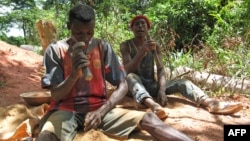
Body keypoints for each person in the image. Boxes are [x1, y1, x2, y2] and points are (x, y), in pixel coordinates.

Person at [36, 4, 194, 141]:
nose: (85, 38)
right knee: (46, 136)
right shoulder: (55, 50)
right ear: (69, 26)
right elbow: (56, 95)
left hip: (99, 108)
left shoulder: (102, 47)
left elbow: (124, 83)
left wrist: (102, 111)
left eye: (90, 33)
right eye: (78, 33)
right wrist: (74, 76)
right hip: (66, 110)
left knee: (149, 119)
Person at [119, 15, 243, 119]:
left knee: (182, 82)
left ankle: (211, 103)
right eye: (137, 24)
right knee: (130, 76)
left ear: (147, 28)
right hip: (133, 87)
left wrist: (162, 90)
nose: (140, 26)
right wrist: (142, 52)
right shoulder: (126, 45)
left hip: (151, 86)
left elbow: (161, 69)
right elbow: (128, 69)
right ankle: (154, 106)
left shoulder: (154, 46)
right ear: (132, 29)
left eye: (143, 24)